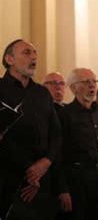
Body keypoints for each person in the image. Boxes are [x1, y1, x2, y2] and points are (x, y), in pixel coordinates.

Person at [0, 39, 62, 220]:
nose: (34, 57)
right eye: (26, 53)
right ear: (9, 59)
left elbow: (56, 132)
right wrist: (30, 170)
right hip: (10, 180)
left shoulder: (42, 92)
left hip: (44, 180)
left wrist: (47, 161)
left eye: (35, 53)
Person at [57, 68, 98, 220]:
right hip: (78, 182)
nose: (92, 85)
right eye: (87, 82)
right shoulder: (64, 115)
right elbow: (58, 155)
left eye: (94, 81)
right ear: (73, 88)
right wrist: (62, 189)